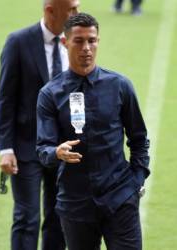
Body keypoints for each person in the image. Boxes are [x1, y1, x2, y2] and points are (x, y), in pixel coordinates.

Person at [36, 13, 150, 250]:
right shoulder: (50, 94)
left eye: (92, 40)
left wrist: (136, 180)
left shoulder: (120, 85)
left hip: (120, 199)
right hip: (75, 204)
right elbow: (42, 149)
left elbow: (138, 138)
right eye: (79, 41)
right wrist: (56, 152)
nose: (86, 48)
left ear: (98, 41)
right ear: (65, 43)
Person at [0, 0, 80, 249]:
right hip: (26, 148)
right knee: (26, 218)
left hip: (63, 148)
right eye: (72, 9)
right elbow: (6, 98)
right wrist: (5, 149)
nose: (77, 13)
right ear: (50, 11)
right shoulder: (18, 42)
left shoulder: (76, 42)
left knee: (58, 217)